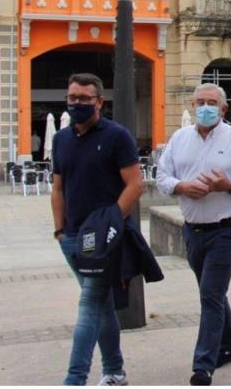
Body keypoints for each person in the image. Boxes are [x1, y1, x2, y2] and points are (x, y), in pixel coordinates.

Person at [155, 84, 231, 387]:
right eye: (200, 102)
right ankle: (229, 343)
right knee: (212, 292)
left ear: (223, 109)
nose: (205, 107)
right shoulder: (179, 139)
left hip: (225, 228)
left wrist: (229, 186)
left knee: (210, 295)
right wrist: (181, 187)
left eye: (211, 103)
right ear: (192, 105)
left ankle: (203, 365)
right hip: (192, 229)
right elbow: (161, 176)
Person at [51, 73, 144, 386]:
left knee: (89, 303)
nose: (77, 103)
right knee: (102, 306)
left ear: (99, 102)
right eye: (72, 98)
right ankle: (115, 371)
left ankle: (75, 378)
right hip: (71, 236)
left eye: (84, 99)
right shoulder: (60, 138)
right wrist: (60, 231)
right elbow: (58, 187)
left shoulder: (117, 136)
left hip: (102, 240)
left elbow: (135, 184)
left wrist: (112, 224)